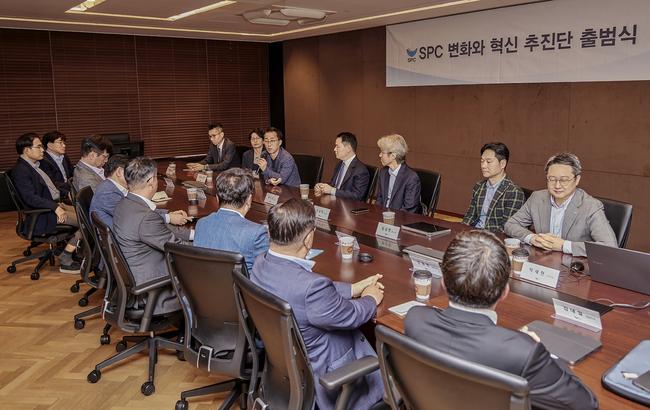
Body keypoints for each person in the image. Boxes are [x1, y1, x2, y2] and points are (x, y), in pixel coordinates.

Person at [405, 230, 598, 410]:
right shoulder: (523, 351)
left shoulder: (415, 318)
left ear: (444, 283)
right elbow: (586, 404)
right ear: (505, 291)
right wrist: (545, 352)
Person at [251, 198, 385, 410]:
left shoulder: (261, 263)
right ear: (308, 238)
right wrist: (370, 297)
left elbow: (304, 289)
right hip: (324, 376)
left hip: (283, 369)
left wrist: (352, 288)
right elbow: (351, 315)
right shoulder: (312, 288)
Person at [112, 157, 193, 315]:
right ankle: (196, 328)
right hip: (153, 289)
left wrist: (192, 234)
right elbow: (179, 249)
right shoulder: (146, 217)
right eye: (156, 177)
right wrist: (208, 243)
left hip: (134, 275)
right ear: (151, 181)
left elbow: (161, 231)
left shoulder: (125, 204)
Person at [504, 153, 617, 257]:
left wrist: (564, 245)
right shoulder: (537, 198)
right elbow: (511, 224)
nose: (557, 185)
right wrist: (533, 238)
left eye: (564, 180)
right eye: (552, 179)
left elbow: (610, 247)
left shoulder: (590, 206)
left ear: (577, 179)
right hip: (543, 261)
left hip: (574, 266)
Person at [11, 133, 81, 273]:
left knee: (89, 214)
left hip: (54, 206)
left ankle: (80, 252)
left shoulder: (35, 166)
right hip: (44, 214)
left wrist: (64, 194)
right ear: (27, 150)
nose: (42, 150)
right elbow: (30, 198)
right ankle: (66, 256)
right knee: (87, 222)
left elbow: (52, 186)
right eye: (38, 147)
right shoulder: (21, 171)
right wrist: (55, 207)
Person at [194, 168, 268, 271]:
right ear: (249, 199)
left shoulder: (201, 223)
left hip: (204, 281)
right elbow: (264, 273)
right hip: (239, 282)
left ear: (217, 198)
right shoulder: (257, 233)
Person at [90, 155, 189, 229]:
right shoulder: (107, 193)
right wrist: (168, 218)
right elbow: (135, 217)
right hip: (118, 241)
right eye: (129, 172)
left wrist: (169, 214)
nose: (132, 176)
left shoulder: (111, 187)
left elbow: (139, 210)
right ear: (119, 172)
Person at [462, 142, 525, 232]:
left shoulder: (514, 192)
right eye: (482, 161)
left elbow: (507, 227)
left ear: (502, 164)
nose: (483, 166)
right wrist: (460, 231)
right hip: (474, 233)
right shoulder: (479, 186)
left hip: (493, 237)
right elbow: (470, 216)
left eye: (488, 162)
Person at [315, 132, 370, 201]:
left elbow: (357, 196)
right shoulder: (340, 164)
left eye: (337, 146)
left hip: (349, 206)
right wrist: (322, 187)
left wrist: (331, 190)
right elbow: (334, 185)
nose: (334, 149)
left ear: (348, 148)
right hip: (335, 202)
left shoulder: (361, 170)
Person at [374, 134, 421, 213]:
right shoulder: (383, 172)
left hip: (399, 217)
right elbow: (379, 199)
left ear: (393, 156)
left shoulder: (411, 178)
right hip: (383, 215)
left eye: (382, 152)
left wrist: (389, 217)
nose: (380, 155)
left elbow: (408, 209)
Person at [39, 130, 74, 200]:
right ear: (49, 145)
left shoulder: (64, 156)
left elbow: (71, 174)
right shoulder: (43, 161)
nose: (64, 145)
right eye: (60, 143)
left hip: (69, 189)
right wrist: (68, 193)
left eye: (64, 143)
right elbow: (51, 184)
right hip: (58, 195)